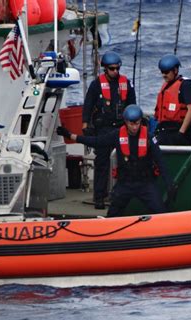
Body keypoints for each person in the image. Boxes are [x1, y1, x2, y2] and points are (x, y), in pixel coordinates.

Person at [58, 105, 175, 217]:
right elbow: (96, 141)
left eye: (137, 123)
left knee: (161, 211)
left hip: (145, 183)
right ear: (126, 122)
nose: (134, 127)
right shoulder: (117, 135)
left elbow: (160, 161)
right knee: (112, 214)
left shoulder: (149, 138)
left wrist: (169, 183)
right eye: (131, 123)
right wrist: (70, 135)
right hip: (125, 184)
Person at [82, 50, 137, 209]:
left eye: (117, 68)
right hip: (104, 129)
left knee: (124, 163)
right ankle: (99, 196)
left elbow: (132, 105)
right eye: (112, 68)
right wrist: (85, 124)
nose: (115, 71)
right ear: (105, 68)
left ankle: (121, 195)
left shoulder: (126, 83)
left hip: (121, 128)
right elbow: (88, 104)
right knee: (102, 163)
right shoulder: (96, 84)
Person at [154, 54, 191, 145]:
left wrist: (181, 132)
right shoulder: (166, 86)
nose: (163, 75)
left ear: (175, 70)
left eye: (166, 72)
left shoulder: (186, 85)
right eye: (162, 72)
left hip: (179, 131)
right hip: (165, 130)